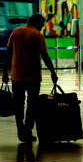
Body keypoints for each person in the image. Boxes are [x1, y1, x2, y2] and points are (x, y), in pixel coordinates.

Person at [3, 13, 58, 143]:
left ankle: (20, 131)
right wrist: (53, 72)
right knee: (32, 105)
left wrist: (5, 72)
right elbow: (45, 56)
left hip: (17, 76)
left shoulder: (16, 32)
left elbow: (8, 53)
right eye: (42, 25)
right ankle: (27, 131)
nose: (42, 28)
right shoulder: (37, 35)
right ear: (37, 23)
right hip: (33, 76)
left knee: (18, 104)